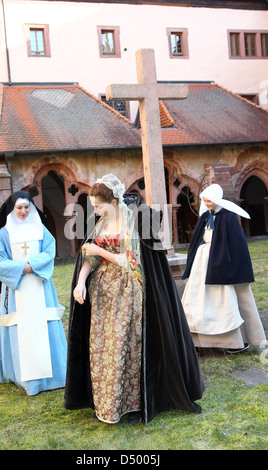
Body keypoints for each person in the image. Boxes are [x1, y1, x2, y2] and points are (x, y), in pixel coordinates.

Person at [63, 174, 205, 425]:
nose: (95, 211)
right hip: (102, 294)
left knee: (125, 347)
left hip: (128, 292)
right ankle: (107, 405)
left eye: (99, 206)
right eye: (94, 207)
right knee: (103, 348)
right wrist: (81, 282)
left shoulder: (132, 223)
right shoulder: (100, 224)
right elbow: (89, 257)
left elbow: (131, 261)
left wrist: (98, 250)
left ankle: (132, 406)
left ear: (114, 201)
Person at [0, 191, 67, 395]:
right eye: (19, 208)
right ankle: (24, 378)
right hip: (17, 288)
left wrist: (31, 265)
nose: (23, 211)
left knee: (44, 324)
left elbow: (49, 251)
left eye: (27, 207)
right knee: (21, 328)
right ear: (12, 209)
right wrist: (20, 268)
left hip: (40, 285)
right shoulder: (4, 233)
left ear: (32, 208)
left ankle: (54, 375)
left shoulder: (40, 229)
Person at [182, 183, 266, 352]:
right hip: (203, 263)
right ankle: (197, 340)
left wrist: (228, 265)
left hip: (221, 264)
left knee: (225, 300)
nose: (206, 203)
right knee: (198, 300)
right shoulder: (205, 216)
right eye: (204, 200)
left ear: (217, 199)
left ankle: (233, 341)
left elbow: (236, 245)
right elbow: (197, 240)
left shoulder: (228, 217)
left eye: (209, 200)